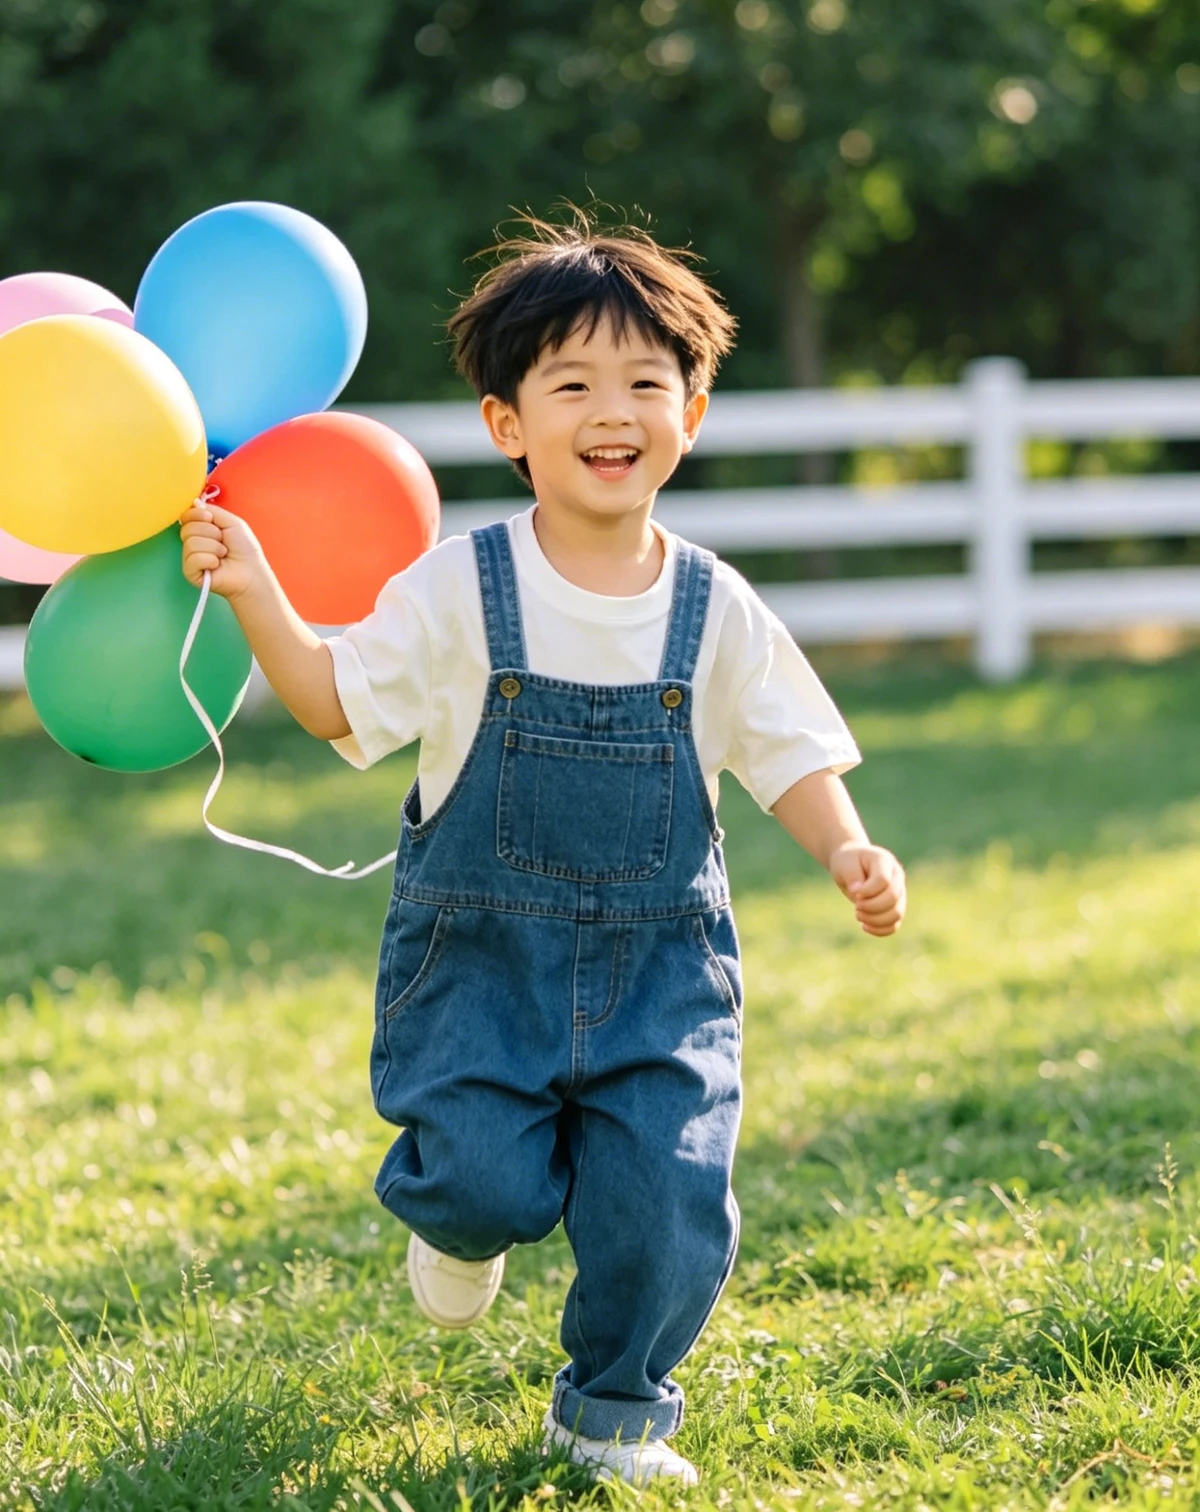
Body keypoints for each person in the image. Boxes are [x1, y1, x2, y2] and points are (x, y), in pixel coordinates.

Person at [179, 213, 906, 1487]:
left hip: (661, 980)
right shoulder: (462, 588)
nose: (612, 408)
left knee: (667, 1206)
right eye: (571, 383)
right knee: (478, 1184)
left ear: (692, 410)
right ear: (509, 422)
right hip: (480, 967)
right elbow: (339, 702)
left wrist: (847, 845)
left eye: (645, 382)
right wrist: (257, 595)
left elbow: (787, 746)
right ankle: (461, 1230)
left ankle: (612, 1411)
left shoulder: (714, 604)